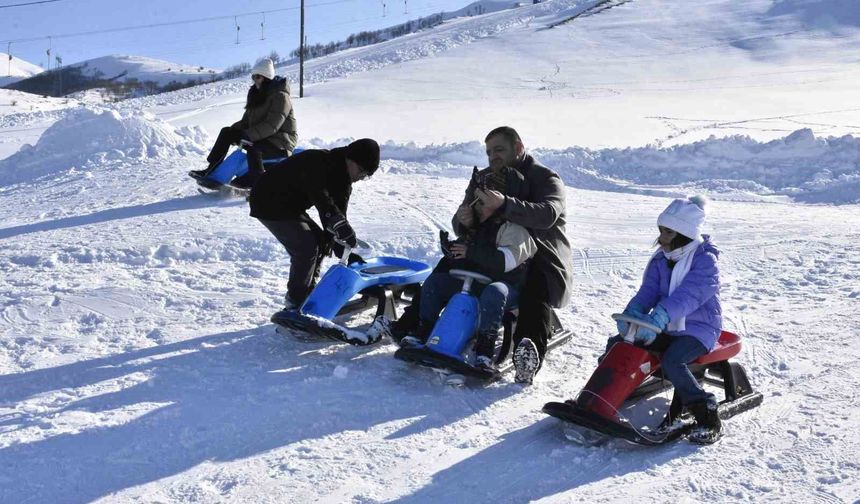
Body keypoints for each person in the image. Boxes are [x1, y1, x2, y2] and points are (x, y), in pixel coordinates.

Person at [392, 126, 573, 384]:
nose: (493, 157)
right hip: (488, 248)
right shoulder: (486, 177)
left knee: (536, 285)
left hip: (538, 255)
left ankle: (527, 352)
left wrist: (505, 205)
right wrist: (464, 220)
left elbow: (548, 214)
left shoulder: (544, 178)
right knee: (449, 261)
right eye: (489, 153)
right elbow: (465, 216)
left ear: (518, 148)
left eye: (499, 150)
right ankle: (413, 325)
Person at [608, 195, 723, 444]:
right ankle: (605, 395)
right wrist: (633, 313)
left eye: (668, 232)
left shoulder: (705, 260)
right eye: (661, 231)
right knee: (619, 342)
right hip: (665, 325)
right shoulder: (662, 259)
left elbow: (689, 296)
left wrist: (660, 316)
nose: (662, 238)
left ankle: (706, 413)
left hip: (699, 329)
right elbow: (648, 290)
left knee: (673, 361)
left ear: (683, 232)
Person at [399, 166, 537, 372]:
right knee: (436, 282)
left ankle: (484, 350)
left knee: (494, 291)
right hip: (474, 282)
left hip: (505, 287)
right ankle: (424, 329)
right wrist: (453, 251)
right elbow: (467, 255)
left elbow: (504, 262)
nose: (476, 206)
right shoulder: (478, 225)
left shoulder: (515, 229)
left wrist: (470, 251)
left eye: (482, 201)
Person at [249, 138, 380, 309]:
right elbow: (320, 197)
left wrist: (344, 249)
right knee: (306, 246)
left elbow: (338, 218)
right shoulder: (318, 161)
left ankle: (309, 290)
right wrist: (336, 221)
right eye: (362, 170)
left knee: (322, 241)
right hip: (266, 200)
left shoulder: (344, 182)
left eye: (366, 176)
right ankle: (296, 300)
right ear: (350, 158)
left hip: (290, 206)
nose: (361, 177)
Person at [190, 58, 297, 189]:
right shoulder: (257, 94)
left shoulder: (281, 96)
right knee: (226, 132)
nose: (255, 80)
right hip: (263, 136)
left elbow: (272, 125)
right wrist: (234, 131)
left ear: (266, 77)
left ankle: (256, 179)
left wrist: (248, 135)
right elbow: (247, 121)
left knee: (253, 145)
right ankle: (211, 169)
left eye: (258, 77)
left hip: (281, 140)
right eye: (253, 77)